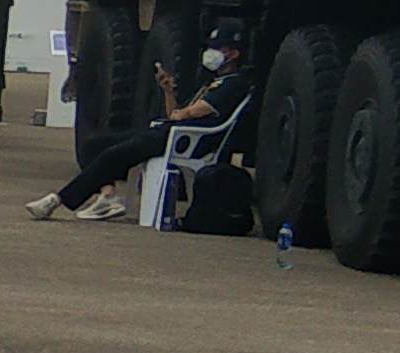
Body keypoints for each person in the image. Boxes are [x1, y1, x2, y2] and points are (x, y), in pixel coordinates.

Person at [33, 24, 249, 221]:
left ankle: (56, 200)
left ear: (234, 54)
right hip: (171, 132)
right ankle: (107, 197)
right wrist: (167, 90)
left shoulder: (233, 85)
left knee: (114, 155)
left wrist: (179, 114)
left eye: (220, 49)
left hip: (184, 140)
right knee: (94, 145)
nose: (211, 54)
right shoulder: (212, 82)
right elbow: (174, 112)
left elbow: (185, 114)